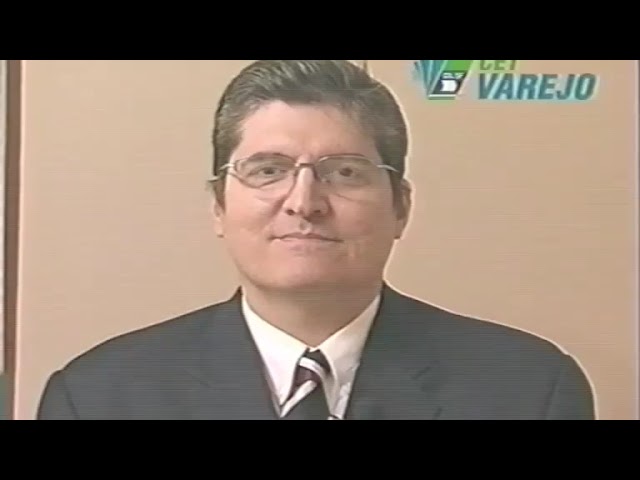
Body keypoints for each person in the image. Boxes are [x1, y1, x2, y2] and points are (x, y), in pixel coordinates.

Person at [37, 60, 596, 420]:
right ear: (218, 206)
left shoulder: (527, 390)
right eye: (268, 170)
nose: (304, 202)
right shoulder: (98, 398)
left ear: (401, 207)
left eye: (344, 172)